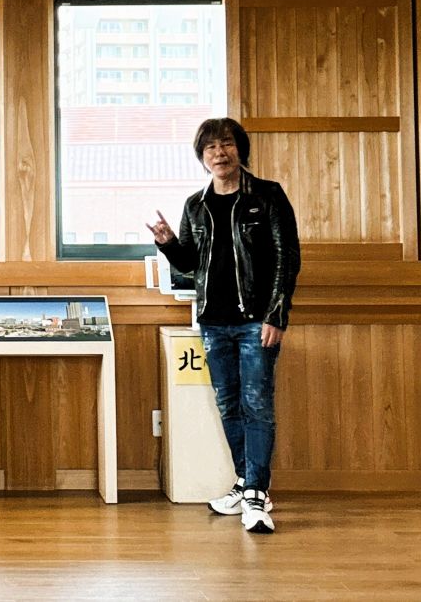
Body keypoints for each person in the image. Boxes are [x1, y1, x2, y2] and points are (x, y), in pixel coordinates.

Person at [147, 117, 300, 534]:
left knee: (257, 405)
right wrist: (167, 243)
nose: (219, 153)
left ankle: (256, 493)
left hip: (256, 322)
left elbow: (287, 258)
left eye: (227, 144)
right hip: (213, 323)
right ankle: (247, 483)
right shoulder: (195, 205)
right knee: (229, 405)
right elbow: (190, 263)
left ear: (240, 150)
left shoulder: (267, 195)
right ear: (202, 157)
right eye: (211, 147)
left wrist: (276, 314)